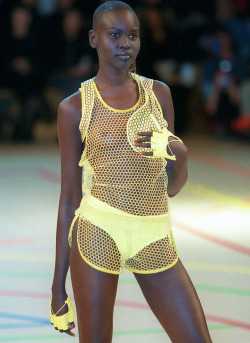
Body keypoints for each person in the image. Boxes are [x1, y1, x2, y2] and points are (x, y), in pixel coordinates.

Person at [50, 2, 213, 342]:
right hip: (98, 230)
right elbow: (69, 200)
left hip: (153, 233)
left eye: (133, 36)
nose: (125, 43)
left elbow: (171, 188)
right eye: (115, 35)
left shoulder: (159, 95)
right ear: (94, 39)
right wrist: (57, 288)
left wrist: (180, 156)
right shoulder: (74, 107)